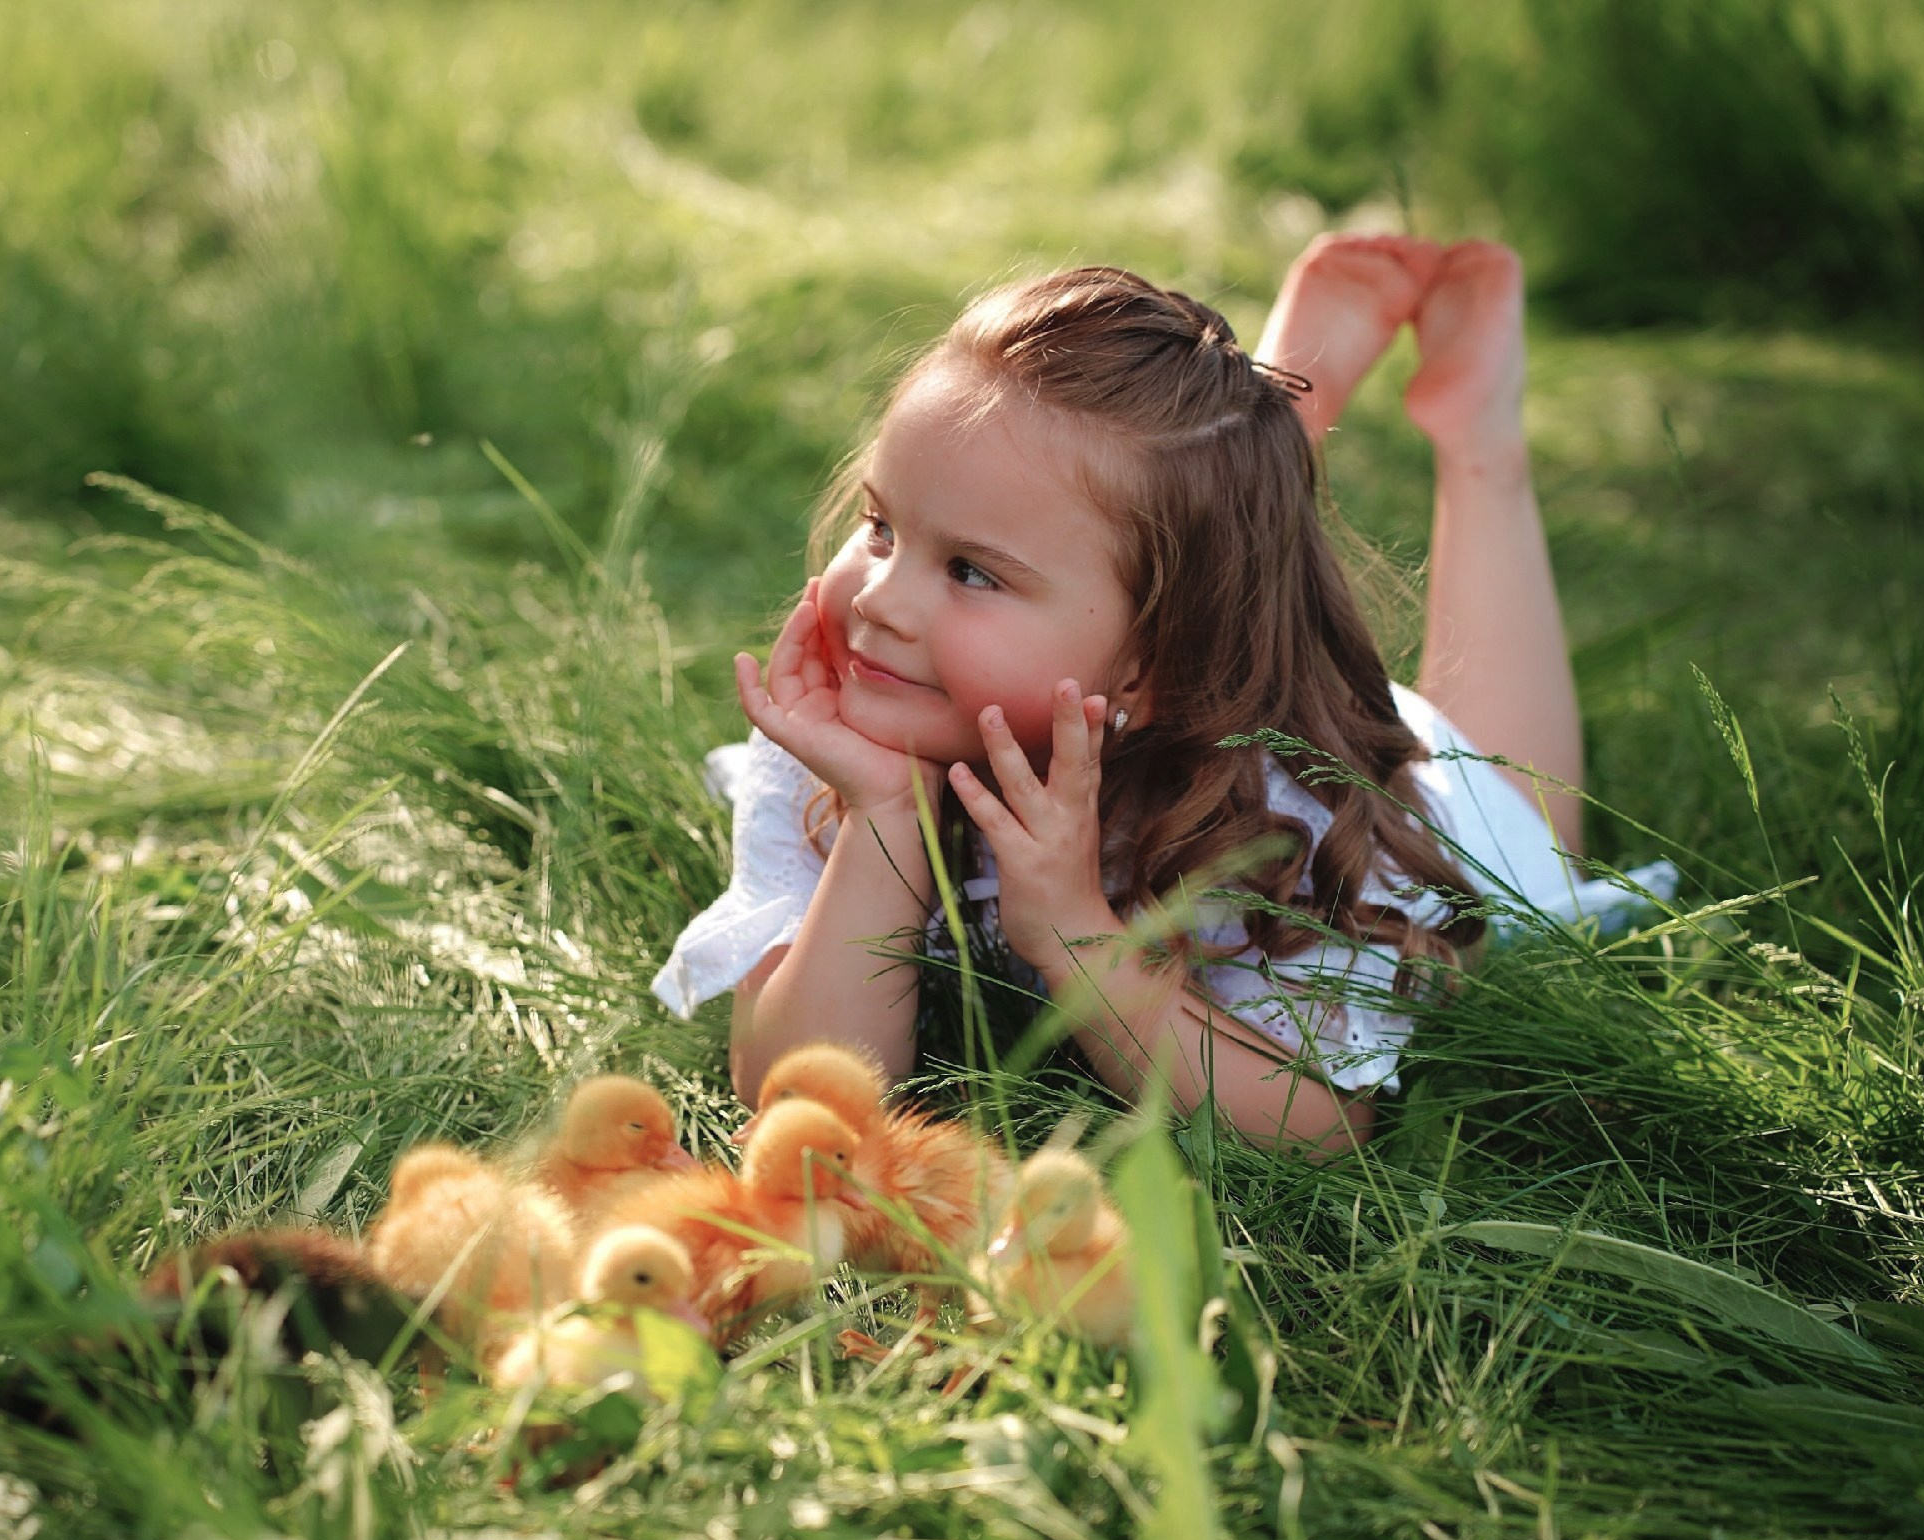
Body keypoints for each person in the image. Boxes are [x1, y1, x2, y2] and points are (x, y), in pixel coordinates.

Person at [651, 236, 1672, 1153]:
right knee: (1168, 520)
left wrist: (1080, 939)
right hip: (1157, 650)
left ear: (1155, 665)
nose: (877, 598)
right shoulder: (852, 723)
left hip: (1405, 783)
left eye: (969, 570)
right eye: (880, 525)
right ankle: (1263, 416)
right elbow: (809, 1098)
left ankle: (1480, 439)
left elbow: (1317, 1122)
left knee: (1533, 834)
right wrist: (883, 815)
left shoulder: (1283, 820)